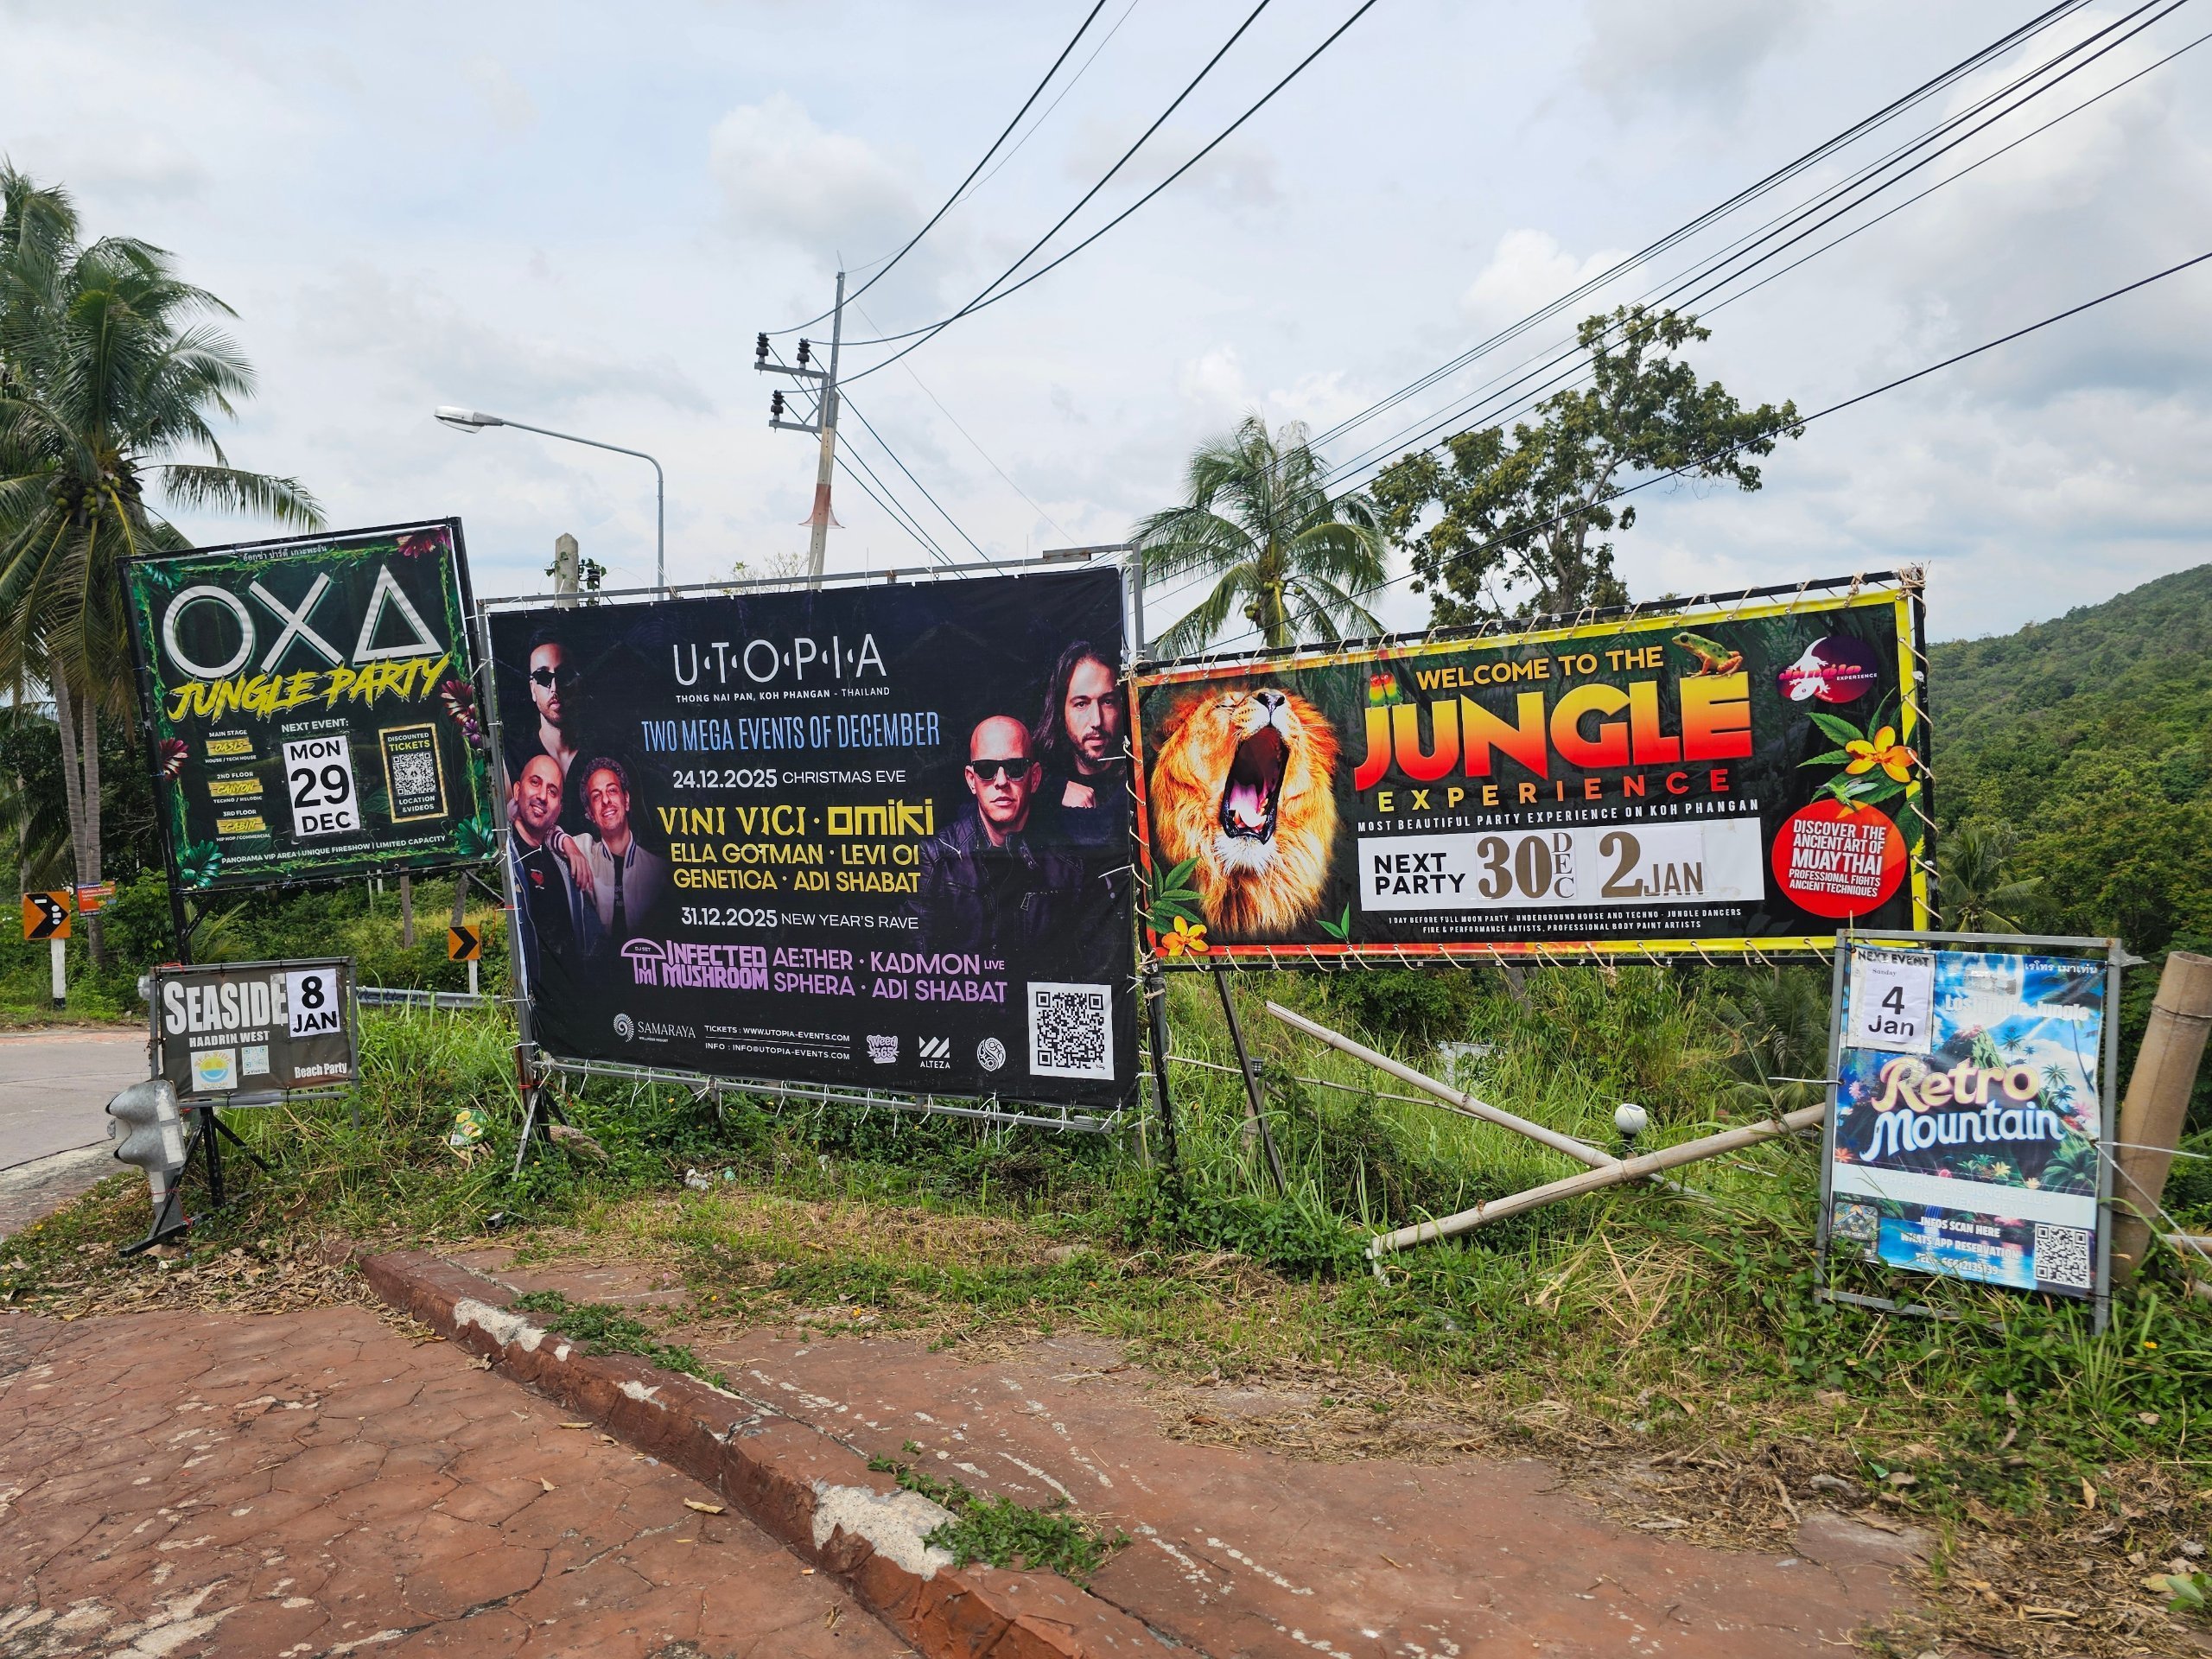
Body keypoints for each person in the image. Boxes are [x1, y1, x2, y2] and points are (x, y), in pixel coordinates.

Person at [919, 715, 1093, 960]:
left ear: (1034, 778)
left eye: (1015, 768)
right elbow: (917, 958)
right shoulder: (937, 856)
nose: (1001, 782)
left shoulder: (1071, 865)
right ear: (971, 780)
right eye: (986, 769)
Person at [508, 753, 601, 1017]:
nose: (542, 796)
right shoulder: (504, 856)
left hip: (571, 1012)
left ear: (559, 808)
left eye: (552, 791)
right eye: (535, 783)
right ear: (517, 790)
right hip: (527, 1013)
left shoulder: (566, 865)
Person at [548, 756, 666, 944]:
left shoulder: (657, 870)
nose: (605, 800)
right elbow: (540, 830)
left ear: (626, 800)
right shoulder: (583, 849)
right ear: (590, 813)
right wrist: (566, 842)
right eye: (596, 796)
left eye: (612, 790)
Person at [1031, 642, 1127, 848]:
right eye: (1081, 704)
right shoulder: (1041, 778)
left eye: (1108, 701)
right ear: (1061, 711)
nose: (1097, 721)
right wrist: (1054, 790)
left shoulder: (1138, 777)